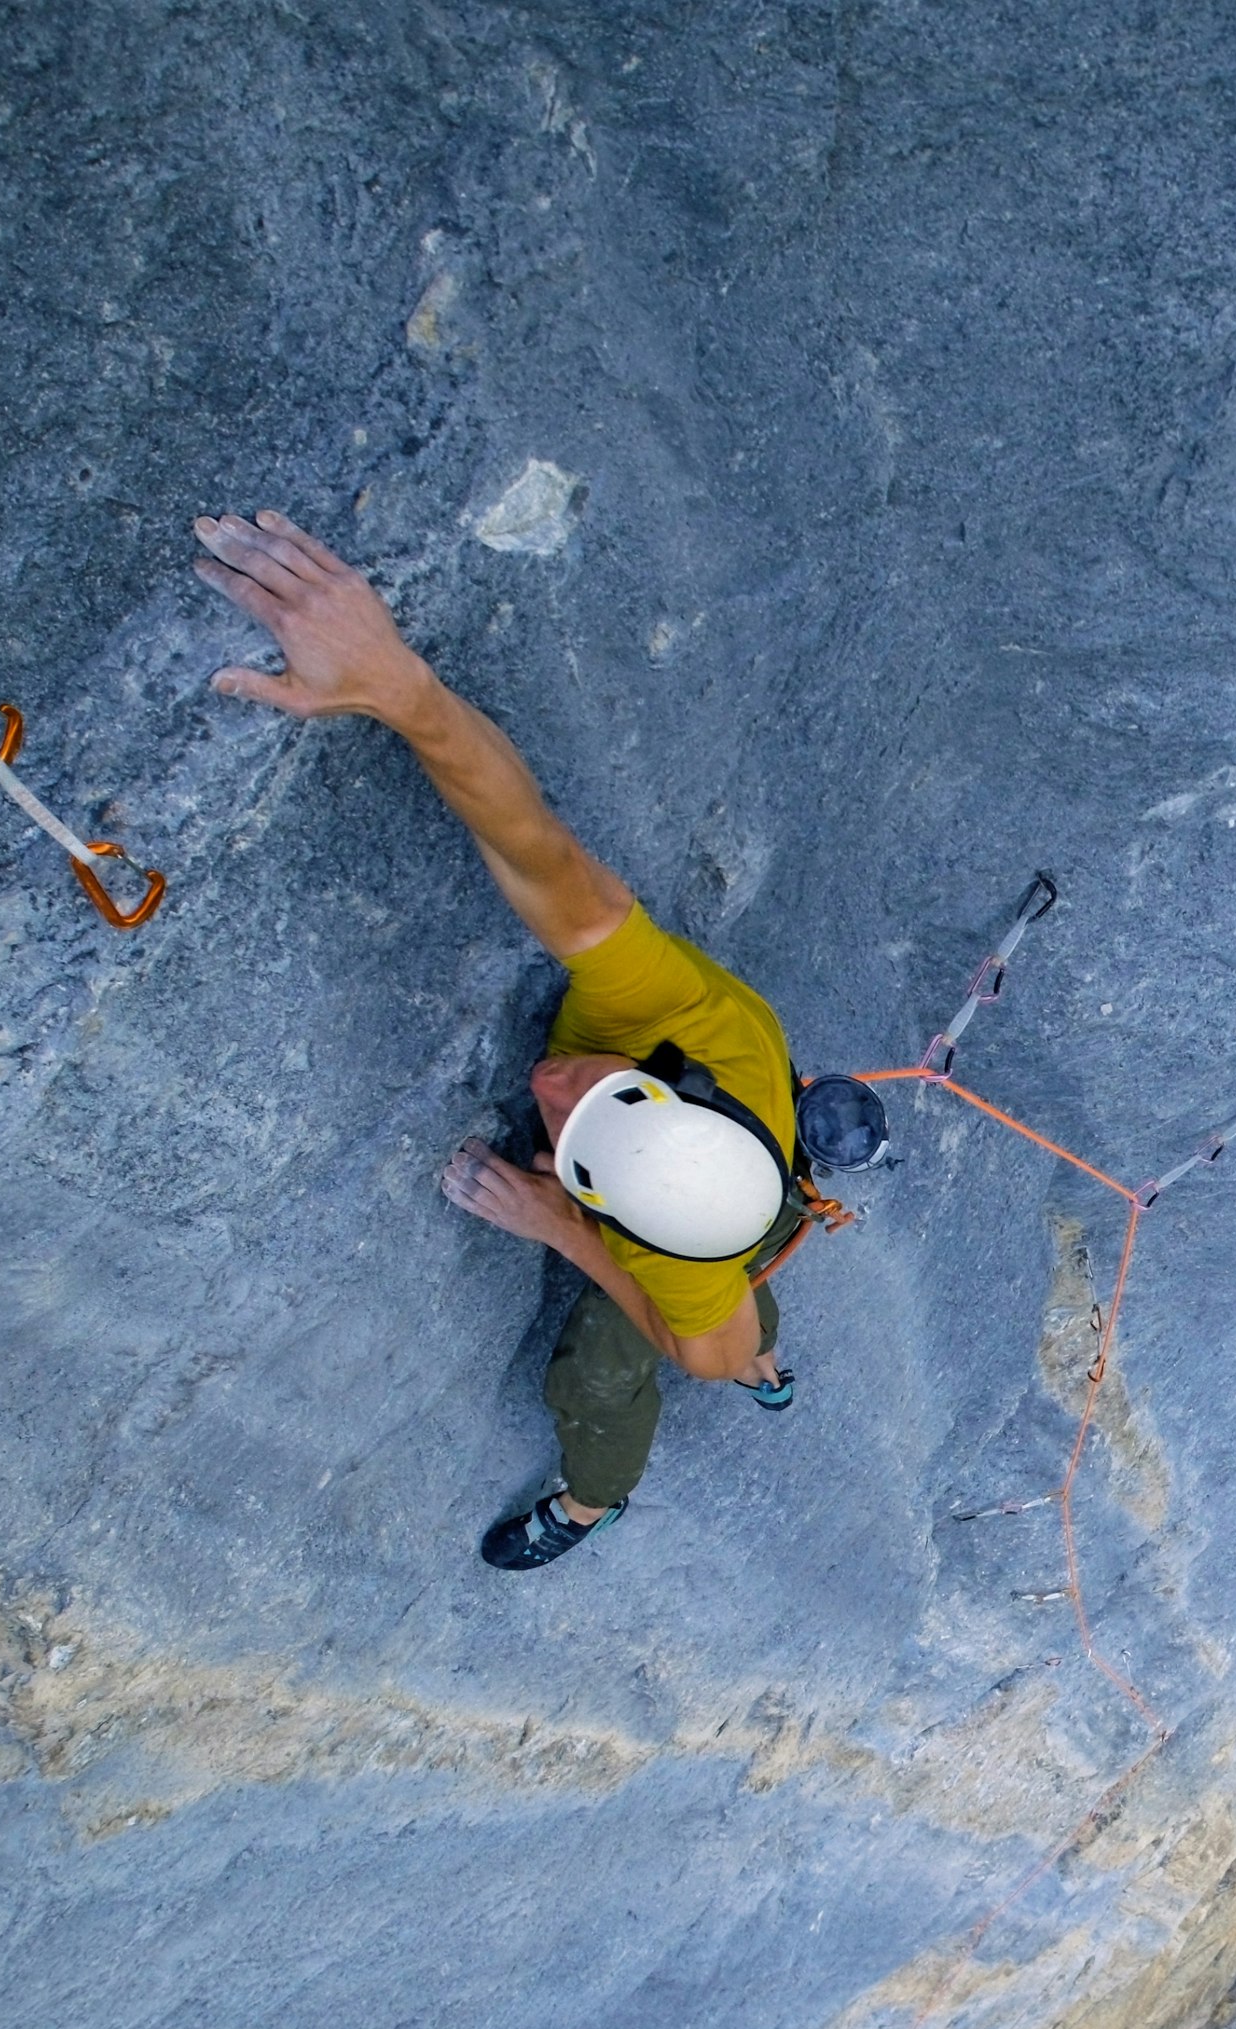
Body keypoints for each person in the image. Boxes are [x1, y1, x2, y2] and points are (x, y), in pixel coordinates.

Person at [192, 509, 816, 1571]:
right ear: (681, 1085)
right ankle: (761, 1316)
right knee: (725, 1309)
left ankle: (591, 1499)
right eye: (610, 1096)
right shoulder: (676, 1016)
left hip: (718, 1247)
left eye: (570, 1147)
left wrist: (563, 1230)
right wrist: (400, 687)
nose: (553, 1085)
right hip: (729, 1213)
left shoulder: (675, 1271)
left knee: (594, 1369)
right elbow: (536, 846)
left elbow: (698, 1352)